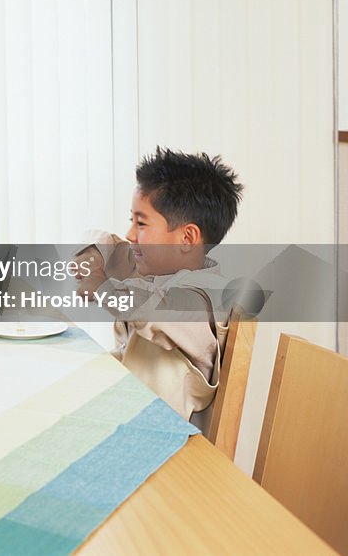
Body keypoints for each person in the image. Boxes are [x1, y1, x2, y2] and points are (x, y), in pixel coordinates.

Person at [75, 147, 243, 422]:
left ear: (187, 238)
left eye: (141, 224)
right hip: (124, 414)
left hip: (164, 442)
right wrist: (94, 254)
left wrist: (103, 287)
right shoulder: (158, 275)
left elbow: (154, 311)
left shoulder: (202, 296)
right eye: (132, 220)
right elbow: (99, 241)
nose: (130, 234)